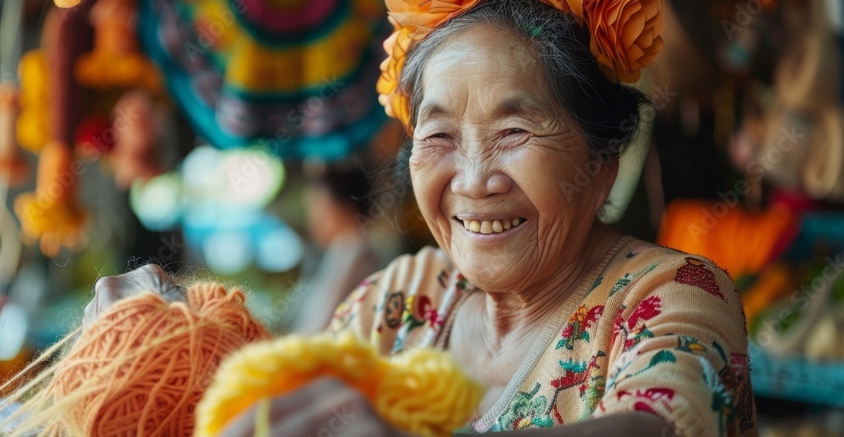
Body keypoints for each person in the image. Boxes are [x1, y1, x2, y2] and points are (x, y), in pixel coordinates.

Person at [85, 0, 757, 435]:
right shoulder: (403, 299)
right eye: (438, 137)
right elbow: (288, 395)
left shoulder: (674, 295)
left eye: (516, 131)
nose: (472, 180)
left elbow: (655, 427)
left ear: (604, 158)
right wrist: (177, 340)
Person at [288, 165, 380, 334]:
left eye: (316, 207)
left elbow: (321, 323)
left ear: (344, 207)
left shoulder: (354, 250)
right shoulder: (346, 249)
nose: (312, 219)